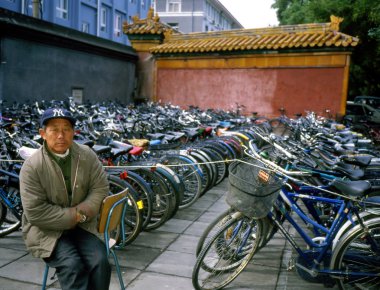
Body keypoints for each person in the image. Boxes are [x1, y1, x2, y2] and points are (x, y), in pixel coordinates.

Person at [20, 107, 111, 290]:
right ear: (43, 134)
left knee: (100, 262)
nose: (61, 135)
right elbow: (35, 212)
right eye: (54, 129)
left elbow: (100, 189)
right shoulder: (32, 166)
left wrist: (81, 215)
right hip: (47, 231)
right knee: (72, 266)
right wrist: (73, 216)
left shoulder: (86, 155)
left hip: (83, 226)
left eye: (66, 129)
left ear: (74, 132)